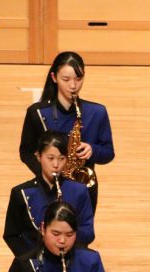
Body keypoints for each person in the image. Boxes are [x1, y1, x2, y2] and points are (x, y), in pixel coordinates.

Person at [19, 52, 114, 210]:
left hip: (84, 190)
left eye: (78, 79)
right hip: (48, 190)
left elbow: (108, 153)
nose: (73, 86)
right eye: (66, 79)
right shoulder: (37, 113)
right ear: (54, 77)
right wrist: (47, 174)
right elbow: (26, 152)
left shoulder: (97, 112)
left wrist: (93, 150)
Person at [4, 130, 95, 256]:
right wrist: (31, 259)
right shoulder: (21, 193)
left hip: (71, 258)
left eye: (62, 158)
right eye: (50, 158)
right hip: (35, 260)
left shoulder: (79, 191)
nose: (56, 165)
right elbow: (11, 235)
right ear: (38, 156)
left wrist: (67, 237)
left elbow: (88, 232)